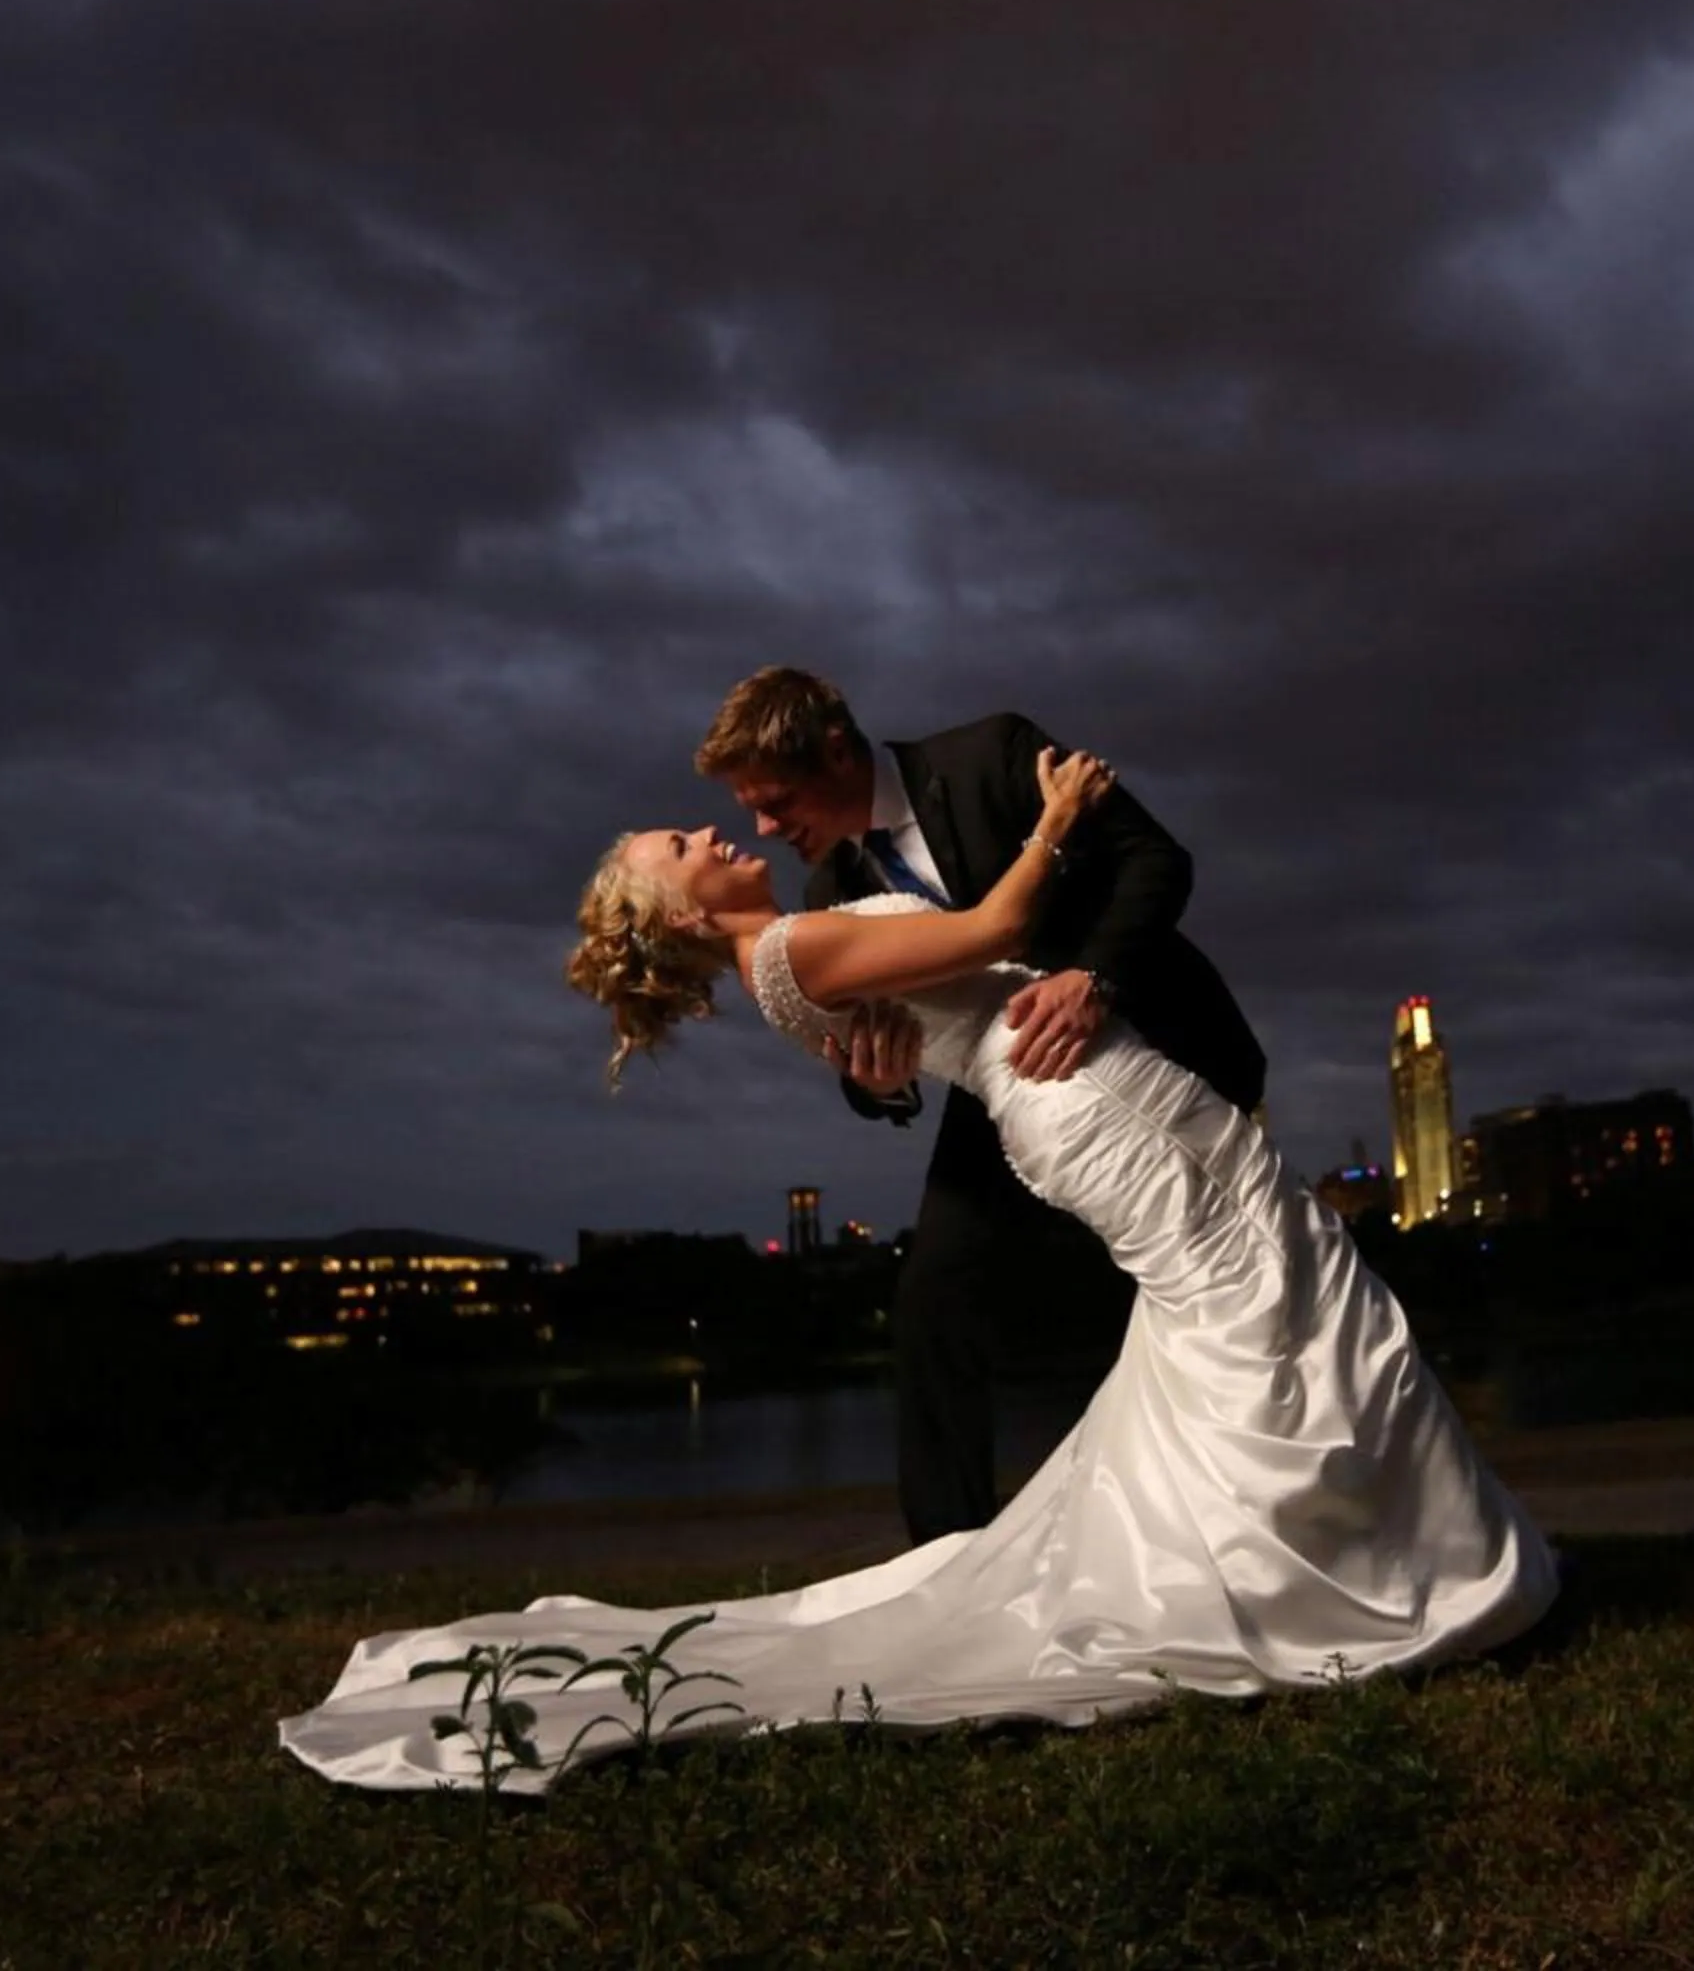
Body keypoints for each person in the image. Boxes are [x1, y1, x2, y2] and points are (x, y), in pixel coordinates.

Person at [276, 744, 1558, 1791]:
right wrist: (1057, 815)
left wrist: (890, 1039)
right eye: (682, 846)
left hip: (1104, 1085)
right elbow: (998, 923)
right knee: (1266, 1311)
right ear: (676, 910)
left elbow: (924, 1001)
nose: (712, 832)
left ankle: (1358, 1562)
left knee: (1265, 1308)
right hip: (1080, 1107)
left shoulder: (799, 942)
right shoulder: (788, 954)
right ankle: (1359, 1579)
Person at [693, 667, 1266, 1547]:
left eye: (773, 800)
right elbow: (863, 1056)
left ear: (837, 750)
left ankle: (1205, 1515)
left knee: (1185, 1287)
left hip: (1148, 1044)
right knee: (932, 1297)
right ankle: (948, 1554)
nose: (764, 828)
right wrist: (877, 1082)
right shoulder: (821, 898)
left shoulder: (992, 754)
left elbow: (1158, 861)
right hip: (1008, 1093)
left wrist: (1095, 981)